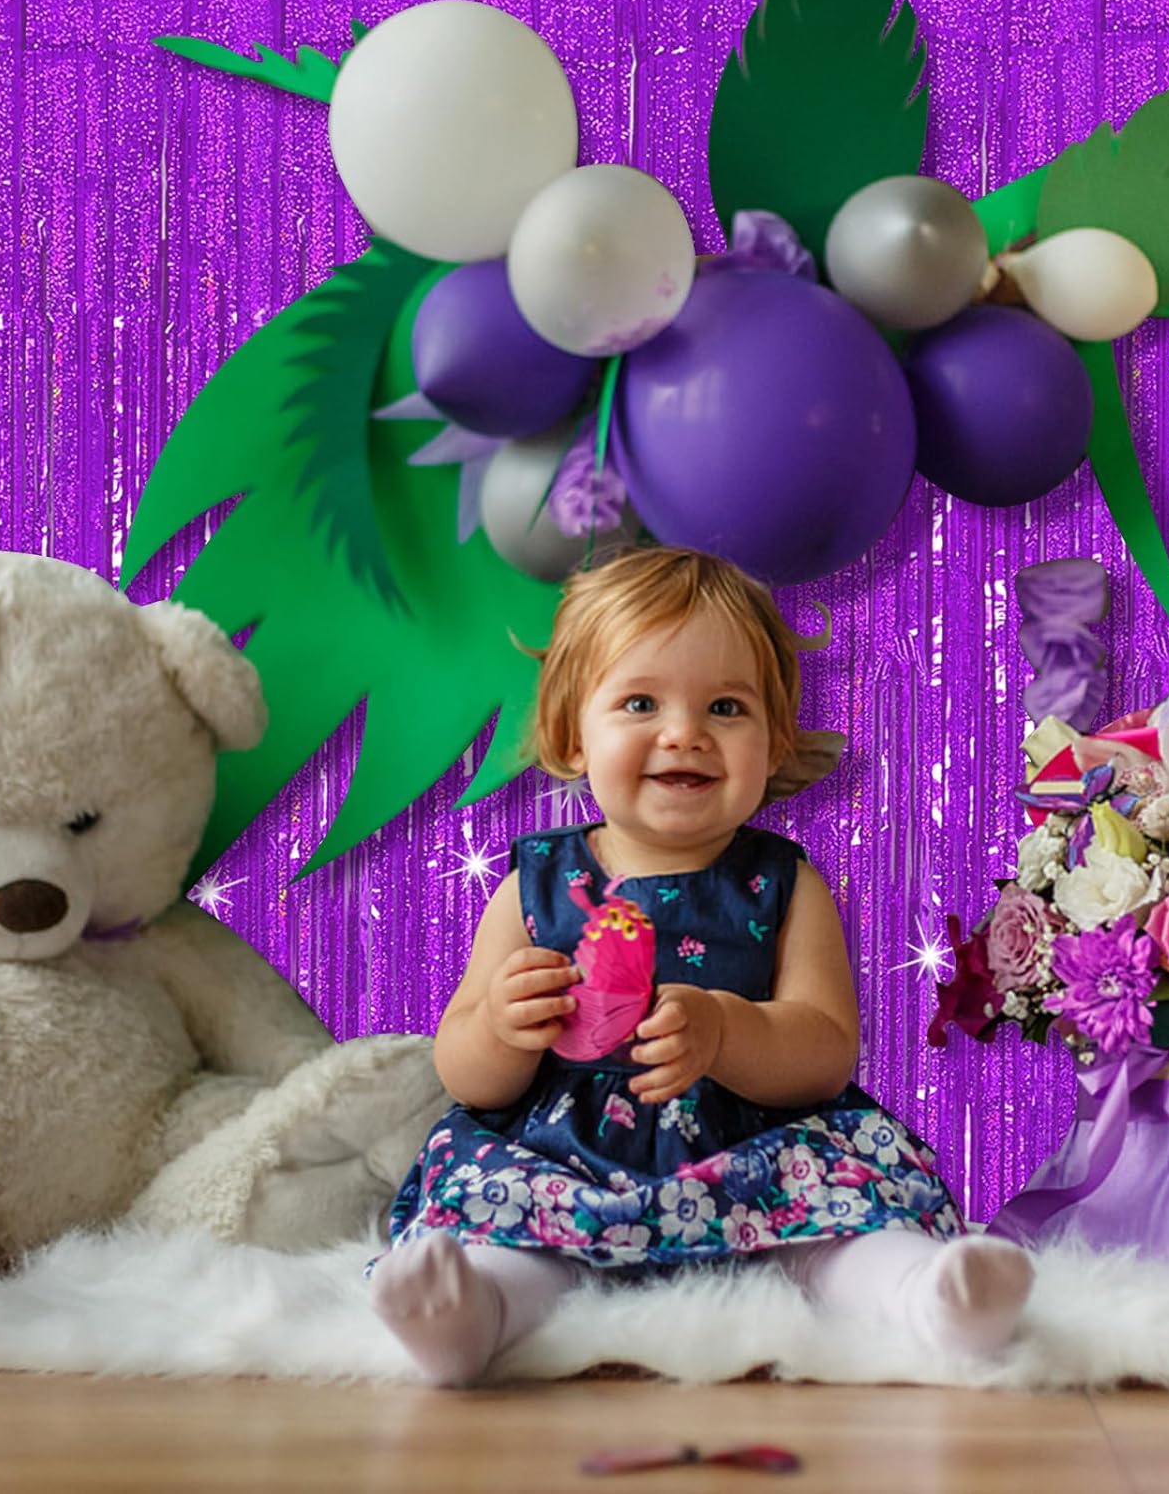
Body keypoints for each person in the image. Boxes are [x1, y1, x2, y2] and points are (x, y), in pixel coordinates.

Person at [370, 547, 1033, 1386]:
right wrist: (502, 1028)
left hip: (755, 1161)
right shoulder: (533, 888)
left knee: (842, 1233)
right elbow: (466, 1074)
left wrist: (726, 1030)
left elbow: (825, 1051)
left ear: (774, 741)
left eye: (725, 706)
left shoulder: (783, 884)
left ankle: (926, 1296)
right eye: (640, 702)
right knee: (516, 1236)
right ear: (574, 735)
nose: (684, 732)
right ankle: (471, 1314)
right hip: (568, 1158)